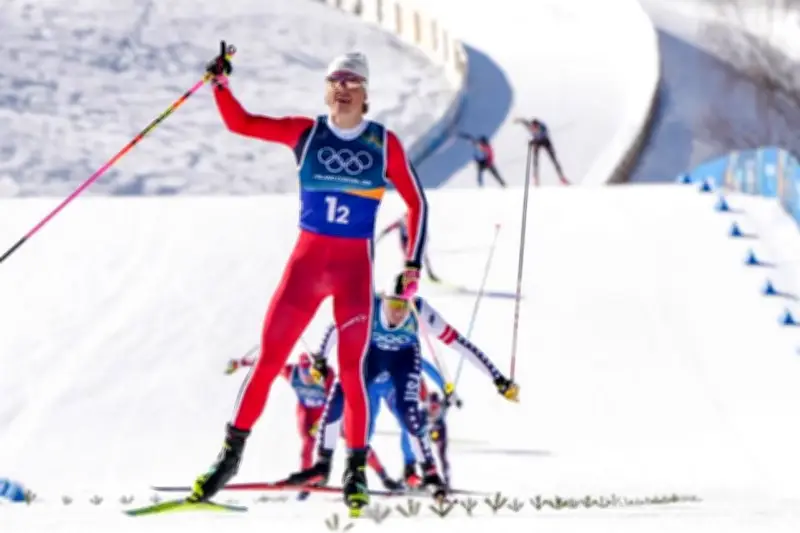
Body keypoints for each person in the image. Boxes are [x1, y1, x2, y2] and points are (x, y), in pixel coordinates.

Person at [190, 42, 430, 512]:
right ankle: (229, 457)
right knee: (267, 362)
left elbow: (418, 202)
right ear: (325, 92)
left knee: (352, 376)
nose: (343, 89)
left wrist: (412, 266)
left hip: (353, 276)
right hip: (305, 270)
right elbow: (241, 123)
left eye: (353, 83)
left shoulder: (384, 143)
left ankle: (355, 470)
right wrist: (219, 84)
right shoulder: (306, 134)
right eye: (336, 82)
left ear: (366, 95)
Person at [283, 276, 519, 509]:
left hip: (402, 362)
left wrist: (497, 378)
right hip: (370, 360)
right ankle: (323, 465)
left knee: (409, 413)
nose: (399, 312)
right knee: (338, 400)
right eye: (394, 305)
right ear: (384, 300)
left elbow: (460, 344)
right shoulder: (369, 305)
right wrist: (320, 360)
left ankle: (430, 473)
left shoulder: (419, 311)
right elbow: (335, 329)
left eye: (403, 305)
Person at [226, 352, 334, 474]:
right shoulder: (292, 373)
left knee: (339, 432)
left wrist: (321, 422)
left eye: (312, 374)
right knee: (308, 440)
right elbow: (265, 363)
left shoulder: (326, 375)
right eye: (305, 374)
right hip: (306, 411)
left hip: (324, 411)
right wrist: (239, 363)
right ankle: (306, 475)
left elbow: (336, 400)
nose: (309, 378)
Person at [376, 213, 439, 283]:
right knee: (408, 258)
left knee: (424, 256)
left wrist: (425, 240)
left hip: (414, 240)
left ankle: (430, 274)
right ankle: (406, 276)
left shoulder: (417, 221)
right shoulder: (400, 222)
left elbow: (424, 232)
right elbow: (387, 230)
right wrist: (378, 239)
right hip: (405, 242)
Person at [514, 117, 570, 186]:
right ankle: (536, 179)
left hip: (545, 141)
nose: (534, 129)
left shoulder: (543, 127)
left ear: (538, 126)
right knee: (535, 161)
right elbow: (524, 121)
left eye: (536, 128)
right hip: (537, 142)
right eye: (533, 128)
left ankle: (562, 177)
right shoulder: (530, 126)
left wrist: (533, 141)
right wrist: (518, 120)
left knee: (554, 159)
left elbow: (542, 135)